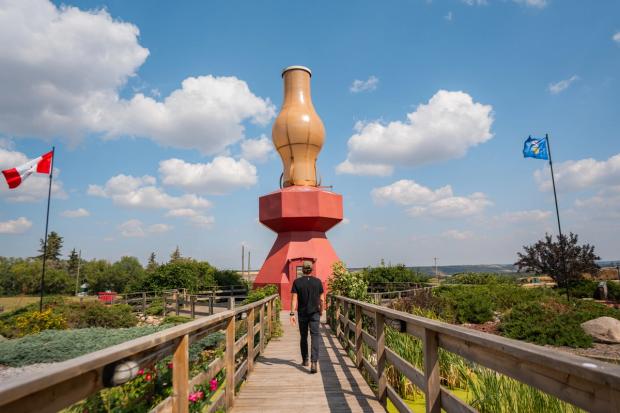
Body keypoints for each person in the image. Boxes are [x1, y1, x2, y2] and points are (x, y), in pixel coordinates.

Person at [290, 260, 325, 374]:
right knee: (315, 336)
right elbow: (322, 299)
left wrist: (291, 313)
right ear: (312, 269)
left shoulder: (297, 282)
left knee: (303, 336)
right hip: (314, 313)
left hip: (302, 313)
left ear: (302, 270)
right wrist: (321, 310)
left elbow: (294, 299)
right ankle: (314, 362)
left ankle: (305, 360)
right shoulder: (318, 282)